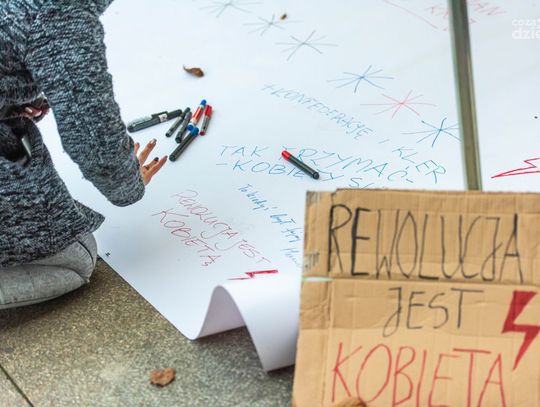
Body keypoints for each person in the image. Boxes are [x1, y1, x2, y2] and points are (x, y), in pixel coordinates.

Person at [0, 0, 166, 309]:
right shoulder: (59, 11)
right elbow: (92, 133)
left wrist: (10, 99)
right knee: (77, 256)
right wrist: (127, 182)